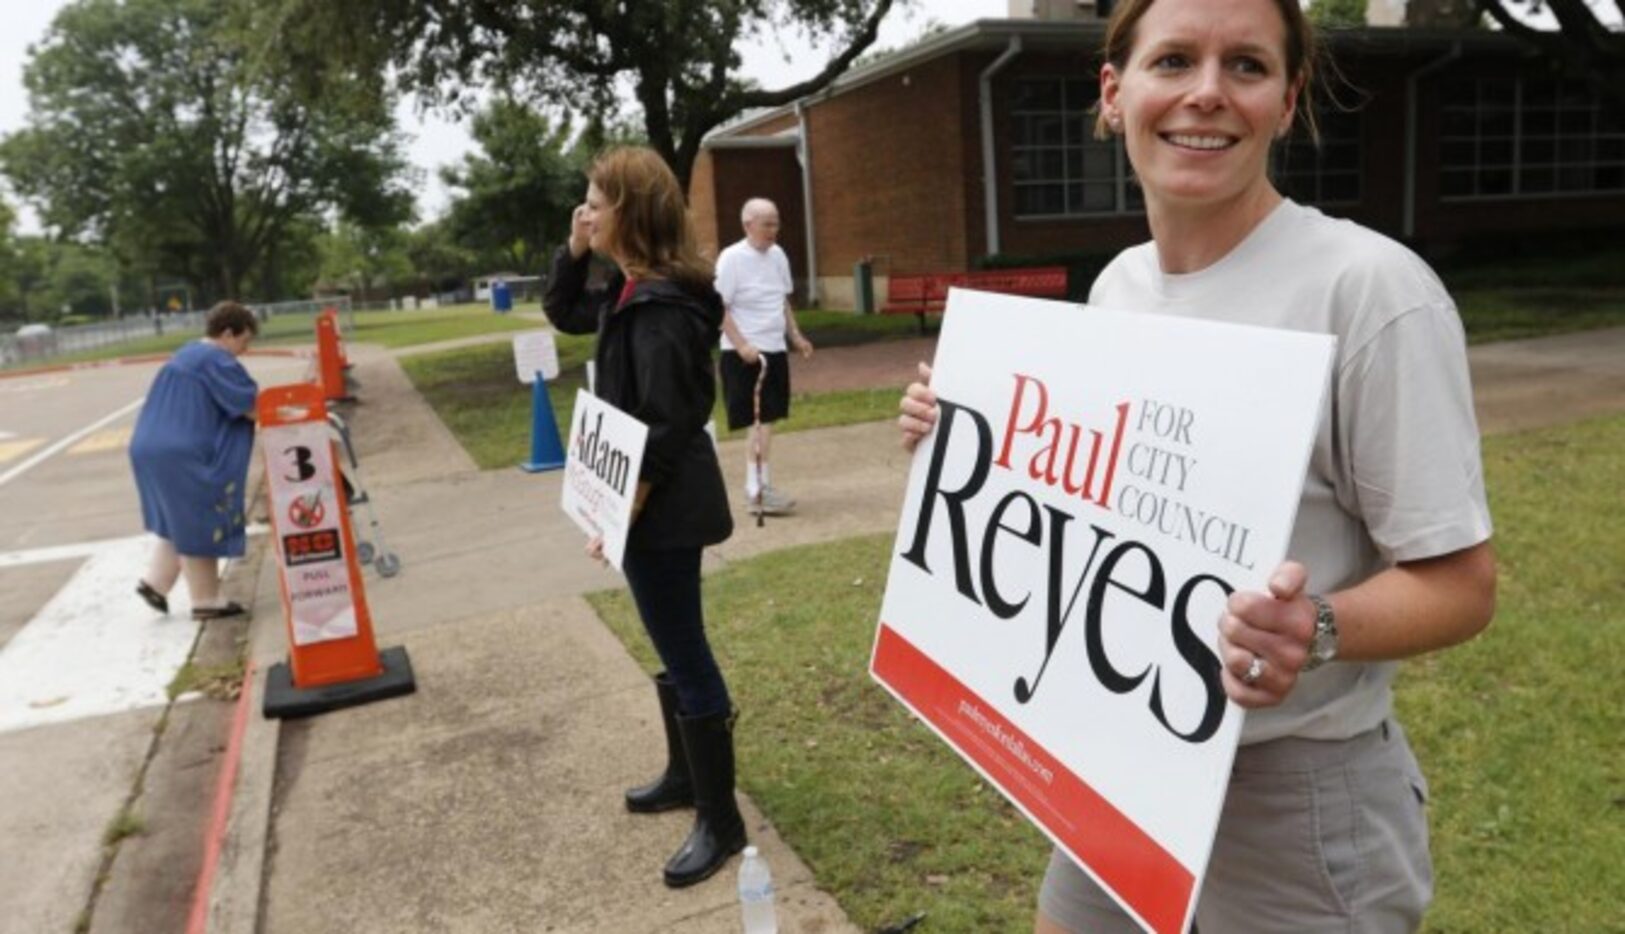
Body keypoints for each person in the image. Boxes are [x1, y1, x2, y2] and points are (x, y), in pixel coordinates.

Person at [898, 0, 1497, 930]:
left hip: (1287, 804)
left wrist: (1315, 628)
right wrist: (966, 440)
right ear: (1114, 92)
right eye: (1173, 60)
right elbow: (1083, 507)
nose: (1207, 94)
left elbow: (1460, 584)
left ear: (1287, 100)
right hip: (1117, 765)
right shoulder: (1118, 285)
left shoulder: (1370, 291)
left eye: (1247, 67)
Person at [542, 146, 743, 888]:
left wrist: (618, 512)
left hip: (662, 510)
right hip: (648, 507)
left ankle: (721, 822)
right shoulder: (634, 290)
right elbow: (563, 311)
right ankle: (685, 776)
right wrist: (574, 248)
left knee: (686, 653)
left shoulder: (658, 307)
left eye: (596, 200)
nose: (586, 211)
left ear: (630, 210)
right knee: (668, 639)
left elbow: (667, 427)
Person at [130, 301, 261, 621]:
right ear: (228, 333)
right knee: (201, 516)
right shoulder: (215, 359)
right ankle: (206, 600)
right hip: (180, 451)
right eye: (244, 341)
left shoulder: (188, 353)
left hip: (149, 446)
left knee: (179, 518)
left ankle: (156, 583)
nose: (244, 350)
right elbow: (250, 406)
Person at [716, 197, 814, 516]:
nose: (774, 230)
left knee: (767, 420)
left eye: (776, 223)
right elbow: (719, 307)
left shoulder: (778, 256)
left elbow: (781, 299)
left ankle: (759, 487)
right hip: (744, 354)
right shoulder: (731, 258)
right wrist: (742, 343)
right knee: (758, 422)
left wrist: (795, 335)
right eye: (767, 224)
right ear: (748, 225)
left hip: (775, 349)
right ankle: (757, 489)